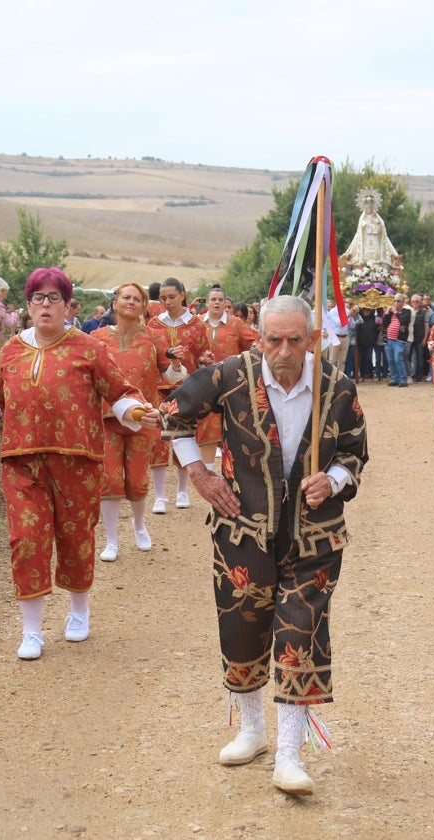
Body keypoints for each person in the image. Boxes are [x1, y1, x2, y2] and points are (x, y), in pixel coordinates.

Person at [161, 294, 368, 796]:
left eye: (295, 340)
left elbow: (355, 451)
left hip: (313, 536)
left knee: (301, 635)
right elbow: (174, 415)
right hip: (243, 531)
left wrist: (333, 480)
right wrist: (200, 474)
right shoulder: (230, 375)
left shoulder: (336, 387)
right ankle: (252, 730)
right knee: (243, 628)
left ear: (313, 339)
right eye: (273, 339)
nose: (283, 351)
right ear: (259, 337)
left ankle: (290, 755)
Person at [0, 268, 160, 660]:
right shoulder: (10, 350)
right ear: (27, 305)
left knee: (75, 536)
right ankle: (32, 630)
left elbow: (120, 391)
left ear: (66, 305)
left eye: (53, 298)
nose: (45, 305)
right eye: (37, 298)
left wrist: (139, 411)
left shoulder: (88, 347)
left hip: (78, 460)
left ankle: (78, 609)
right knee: (27, 539)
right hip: (21, 460)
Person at [91, 283, 170, 558]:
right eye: (126, 297)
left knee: (136, 479)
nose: (131, 302)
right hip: (107, 418)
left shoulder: (155, 337)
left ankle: (139, 526)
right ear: (115, 303)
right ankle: (111, 540)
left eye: (137, 299)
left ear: (144, 306)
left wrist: (179, 364)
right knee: (110, 479)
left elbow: (170, 375)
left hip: (143, 417)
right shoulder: (97, 337)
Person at [146, 277, 212, 513]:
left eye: (171, 297)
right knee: (158, 441)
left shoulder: (196, 325)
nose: (167, 302)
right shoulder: (152, 325)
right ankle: (160, 495)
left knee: (186, 436)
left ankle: (182, 490)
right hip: (159, 388)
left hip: (187, 388)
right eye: (163, 298)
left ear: (183, 295)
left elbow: (205, 353)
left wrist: (205, 361)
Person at [196, 286, 257, 466]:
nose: (217, 302)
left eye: (220, 300)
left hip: (232, 380)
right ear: (207, 303)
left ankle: (232, 469)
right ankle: (207, 469)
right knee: (207, 423)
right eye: (213, 299)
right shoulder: (197, 322)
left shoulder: (236, 323)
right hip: (204, 380)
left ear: (225, 304)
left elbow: (252, 342)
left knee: (233, 424)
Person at [381, 294, 411, 387]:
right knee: (391, 360)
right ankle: (394, 379)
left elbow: (403, 321)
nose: (396, 303)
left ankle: (403, 380)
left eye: (398, 301)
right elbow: (384, 324)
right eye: (395, 301)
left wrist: (395, 312)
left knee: (398, 359)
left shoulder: (407, 311)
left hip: (399, 340)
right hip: (389, 340)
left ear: (403, 303)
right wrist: (386, 313)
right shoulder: (391, 313)